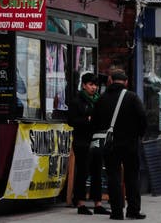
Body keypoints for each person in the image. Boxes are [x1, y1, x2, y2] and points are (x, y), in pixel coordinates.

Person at [94, 69, 147, 220]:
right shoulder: (132, 97)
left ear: (110, 81)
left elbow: (95, 122)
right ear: (126, 82)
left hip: (110, 144)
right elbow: (142, 117)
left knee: (113, 177)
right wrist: (139, 134)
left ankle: (116, 212)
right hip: (130, 143)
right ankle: (133, 210)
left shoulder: (102, 98)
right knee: (131, 177)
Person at [67, 73, 109, 215]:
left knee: (97, 172)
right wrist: (88, 120)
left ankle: (98, 203)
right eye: (91, 84)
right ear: (84, 85)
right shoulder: (76, 101)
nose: (94, 88)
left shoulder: (99, 101)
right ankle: (80, 203)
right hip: (81, 141)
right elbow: (71, 121)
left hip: (96, 140)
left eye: (95, 85)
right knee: (83, 173)